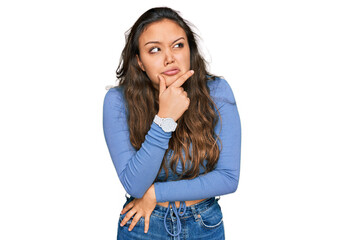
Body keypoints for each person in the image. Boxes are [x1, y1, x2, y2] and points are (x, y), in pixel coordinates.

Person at [103, 7, 241, 240]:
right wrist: (165, 119)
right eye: (154, 50)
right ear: (139, 61)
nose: (169, 58)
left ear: (190, 49)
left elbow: (228, 178)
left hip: (204, 225)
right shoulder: (118, 101)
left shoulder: (217, 92)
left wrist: (156, 193)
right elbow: (135, 186)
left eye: (178, 45)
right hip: (143, 227)